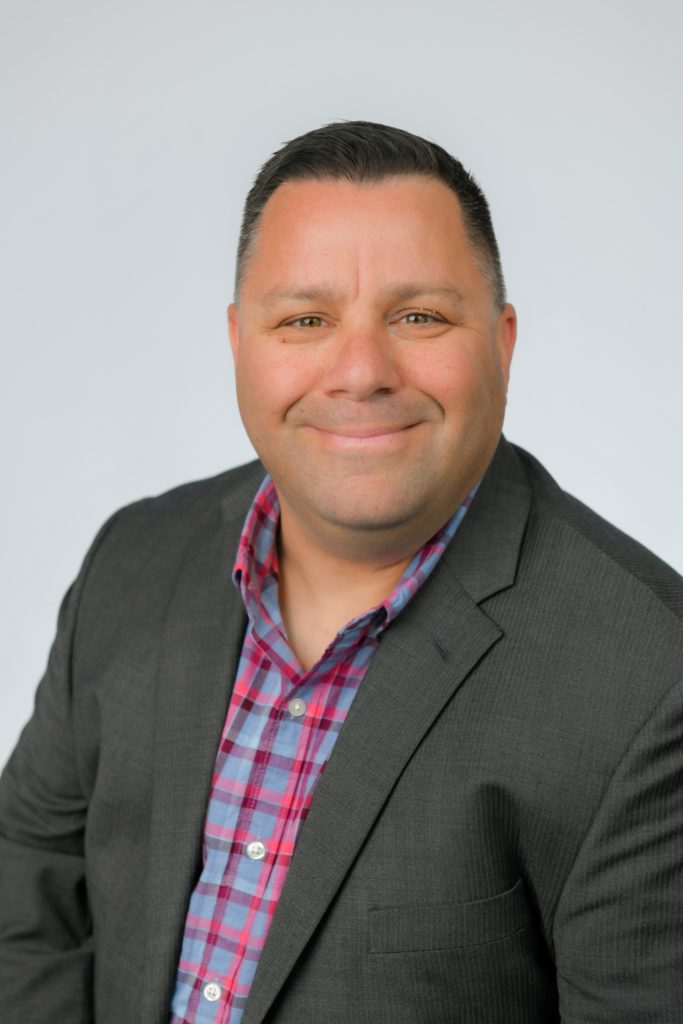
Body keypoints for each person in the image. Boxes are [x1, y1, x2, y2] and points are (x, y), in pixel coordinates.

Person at [1, 121, 681, 1024]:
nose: (360, 371)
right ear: (241, 341)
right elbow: (27, 904)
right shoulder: (134, 560)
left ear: (503, 342)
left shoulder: (647, 678)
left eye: (419, 316)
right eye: (305, 320)